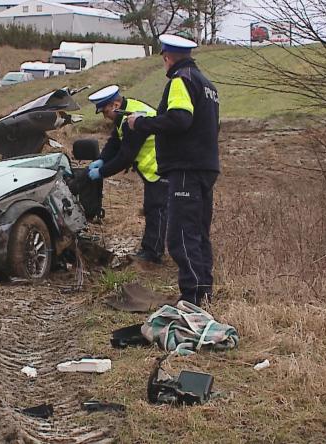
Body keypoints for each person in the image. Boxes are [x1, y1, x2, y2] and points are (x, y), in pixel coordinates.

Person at [127, 34, 220, 306]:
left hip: (185, 169)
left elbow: (180, 118)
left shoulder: (181, 80)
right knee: (199, 233)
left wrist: (142, 123)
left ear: (168, 57)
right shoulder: (208, 85)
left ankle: (190, 298)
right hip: (205, 167)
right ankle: (204, 293)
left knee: (181, 235)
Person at [87, 85, 167, 264]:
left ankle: (153, 254)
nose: (104, 116)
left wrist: (102, 172)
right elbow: (115, 141)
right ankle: (153, 249)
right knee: (155, 209)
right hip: (155, 168)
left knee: (156, 209)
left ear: (115, 105)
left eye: (105, 111)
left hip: (160, 167)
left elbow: (125, 156)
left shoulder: (134, 119)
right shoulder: (124, 114)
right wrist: (101, 159)